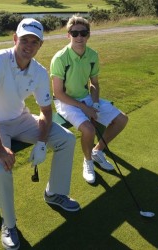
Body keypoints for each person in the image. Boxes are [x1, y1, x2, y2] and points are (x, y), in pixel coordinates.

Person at [0, 18, 80, 250]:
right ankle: (9, 224)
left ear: (40, 45)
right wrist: (0, 149)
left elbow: (45, 111)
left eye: (34, 41)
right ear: (15, 39)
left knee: (66, 139)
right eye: (24, 39)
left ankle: (55, 193)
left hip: (21, 119)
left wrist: (42, 142)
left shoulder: (40, 72)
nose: (28, 45)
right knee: (1, 167)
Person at [50, 15, 128, 184]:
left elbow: (94, 84)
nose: (79, 37)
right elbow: (58, 93)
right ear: (68, 35)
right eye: (75, 33)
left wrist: (95, 103)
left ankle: (97, 151)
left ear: (88, 35)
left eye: (83, 33)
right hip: (65, 102)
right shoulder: (60, 58)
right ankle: (88, 161)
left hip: (86, 98)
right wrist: (85, 108)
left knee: (122, 119)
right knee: (89, 130)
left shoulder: (93, 55)